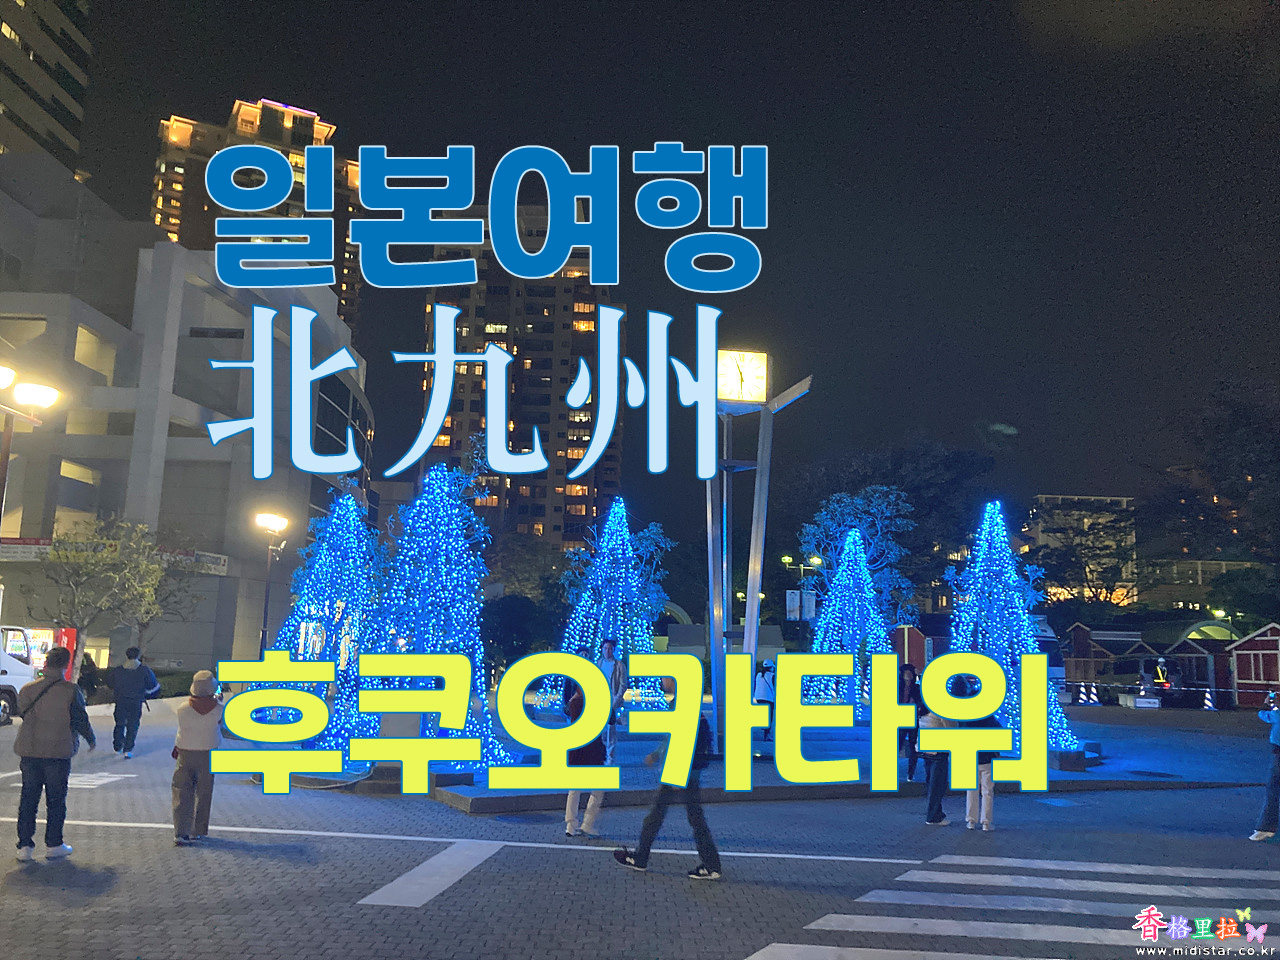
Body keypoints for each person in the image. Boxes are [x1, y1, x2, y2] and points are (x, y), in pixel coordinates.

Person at [613, 711, 721, 880]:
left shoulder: (683, 707)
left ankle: (642, 858)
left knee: (662, 817)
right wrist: (657, 754)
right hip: (684, 772)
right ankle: (711, 864)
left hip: (680, 773)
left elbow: (682, 741)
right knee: (675, 817)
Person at [14, 645, 95, 861]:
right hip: (58, 751)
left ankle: (24, 846)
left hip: (30, 750)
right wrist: (91, 739)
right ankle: (54, 844)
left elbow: (22, 712)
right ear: (65, 664)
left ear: (46, 663)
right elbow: (80, 719)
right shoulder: (70, 691)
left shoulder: (27, 689)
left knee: (28, 798)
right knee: (56, 799)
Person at [172, 670, 223, 846]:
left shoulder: (182, 709)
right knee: (204, 792)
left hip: (185, 752)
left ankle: (181, 831)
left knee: (182, 791)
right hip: (209, 753)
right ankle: (198, 830)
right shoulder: (219, 709)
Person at [563, 657, 607, 837]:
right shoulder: (592, 702)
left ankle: (570, 825)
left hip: (576, 750)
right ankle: (587, 823)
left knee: (575, 789)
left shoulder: (574, 702)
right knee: (598, 789)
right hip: (592, 750)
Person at [954, 675, 1000, 832]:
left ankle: (970, 820)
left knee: (971, 790)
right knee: (987, 791)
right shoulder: (988, 717)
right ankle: (986, 822)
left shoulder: (964, 717)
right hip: (986, 756)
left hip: (969, 757)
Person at [108, 646, 161, 758]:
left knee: (119, 723)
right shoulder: (144, 670)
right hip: (136, 702)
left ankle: (117, 745)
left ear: (126, 655)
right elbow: (153, 686)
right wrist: (145, 694)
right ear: (138, 656)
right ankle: (128, 749)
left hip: (120, 701)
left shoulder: (118, 670)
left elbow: (110, 683)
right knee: (133, 725)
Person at [919, 698, 956, 826]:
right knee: (938, 785)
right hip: (939, 750)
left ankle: (936, 814)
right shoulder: (940, 709)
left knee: (932, 783)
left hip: (926, 749)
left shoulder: (923, 709)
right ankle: (933, 816)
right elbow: (951, 726)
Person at [1250, 693, 1280, 841]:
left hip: (1278, 754)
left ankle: (1266, 828)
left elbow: (1262, 714)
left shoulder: (1277, 714)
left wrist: (1267, 703)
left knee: (1273, 790)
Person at [597, 639, 628, 764]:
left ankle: (610, 757)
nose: (607, 651)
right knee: (600, 730)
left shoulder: (619, 665)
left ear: (613, 650)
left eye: (610, 648)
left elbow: (623, 685)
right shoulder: (599, 663)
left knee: (611, 730)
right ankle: (601, 755)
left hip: (612, 700)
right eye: (605, 648)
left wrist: (616, 700)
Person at [898, 663, 924, 781]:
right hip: (900, 719)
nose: (908, 676)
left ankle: (910, 773)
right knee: (897, 744)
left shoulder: (916, 688)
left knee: (913, 746)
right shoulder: (898, 688)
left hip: (913, 719)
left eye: (910, 674)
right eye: (906, 674)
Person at [753, 660, 776, 741]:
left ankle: (762, 725)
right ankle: (767, 735)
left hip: (758, 698)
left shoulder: (758, 675)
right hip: (768, 698)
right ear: (771, 668)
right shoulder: (772, 676)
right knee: (770, 717)